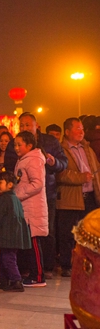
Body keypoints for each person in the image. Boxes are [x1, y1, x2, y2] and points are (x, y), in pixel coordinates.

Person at [4, 112, 67, 278]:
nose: (25, 128)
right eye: (22, 125)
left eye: (27, 125)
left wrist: (54, 162)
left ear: (36, 125)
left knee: (46, 232)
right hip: (24, 198)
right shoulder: (14, 144)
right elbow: (11, 167)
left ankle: (44, 268)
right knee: (25, 233)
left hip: (46, 194)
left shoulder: (49, 142)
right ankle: (28, 267)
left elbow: (63, 163)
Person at [56, 118, 100, 277]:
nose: (81, 132)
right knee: (68, 234)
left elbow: (96, 170)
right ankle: (67, 265)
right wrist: (80, 177)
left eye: (82, 129)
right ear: (67, 132)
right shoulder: (61, 149)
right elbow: (60, 173)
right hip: (70, 198)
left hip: (90, 197)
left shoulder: (87, 148)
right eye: (77, 129)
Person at [13, 131, 48, 287]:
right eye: (15, 144)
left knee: (34, 243)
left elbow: (37, 183)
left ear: (29, 145)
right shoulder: (24, 159)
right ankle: (32, 273)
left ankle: (39, 276)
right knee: (28, 243)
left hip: (32, 207)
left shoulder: (33, 159)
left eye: (19, 144)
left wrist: (16, 194)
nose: (16, 147)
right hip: (25, 207)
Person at [0, 171, 32, 292]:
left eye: (1, 183)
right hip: (14, 234)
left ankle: (16, 280)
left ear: (10, 185)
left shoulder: (5, 199)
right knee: (4, 257)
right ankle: (3, 280)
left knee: (7, 258)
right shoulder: (15, 199)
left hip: (7, 235)